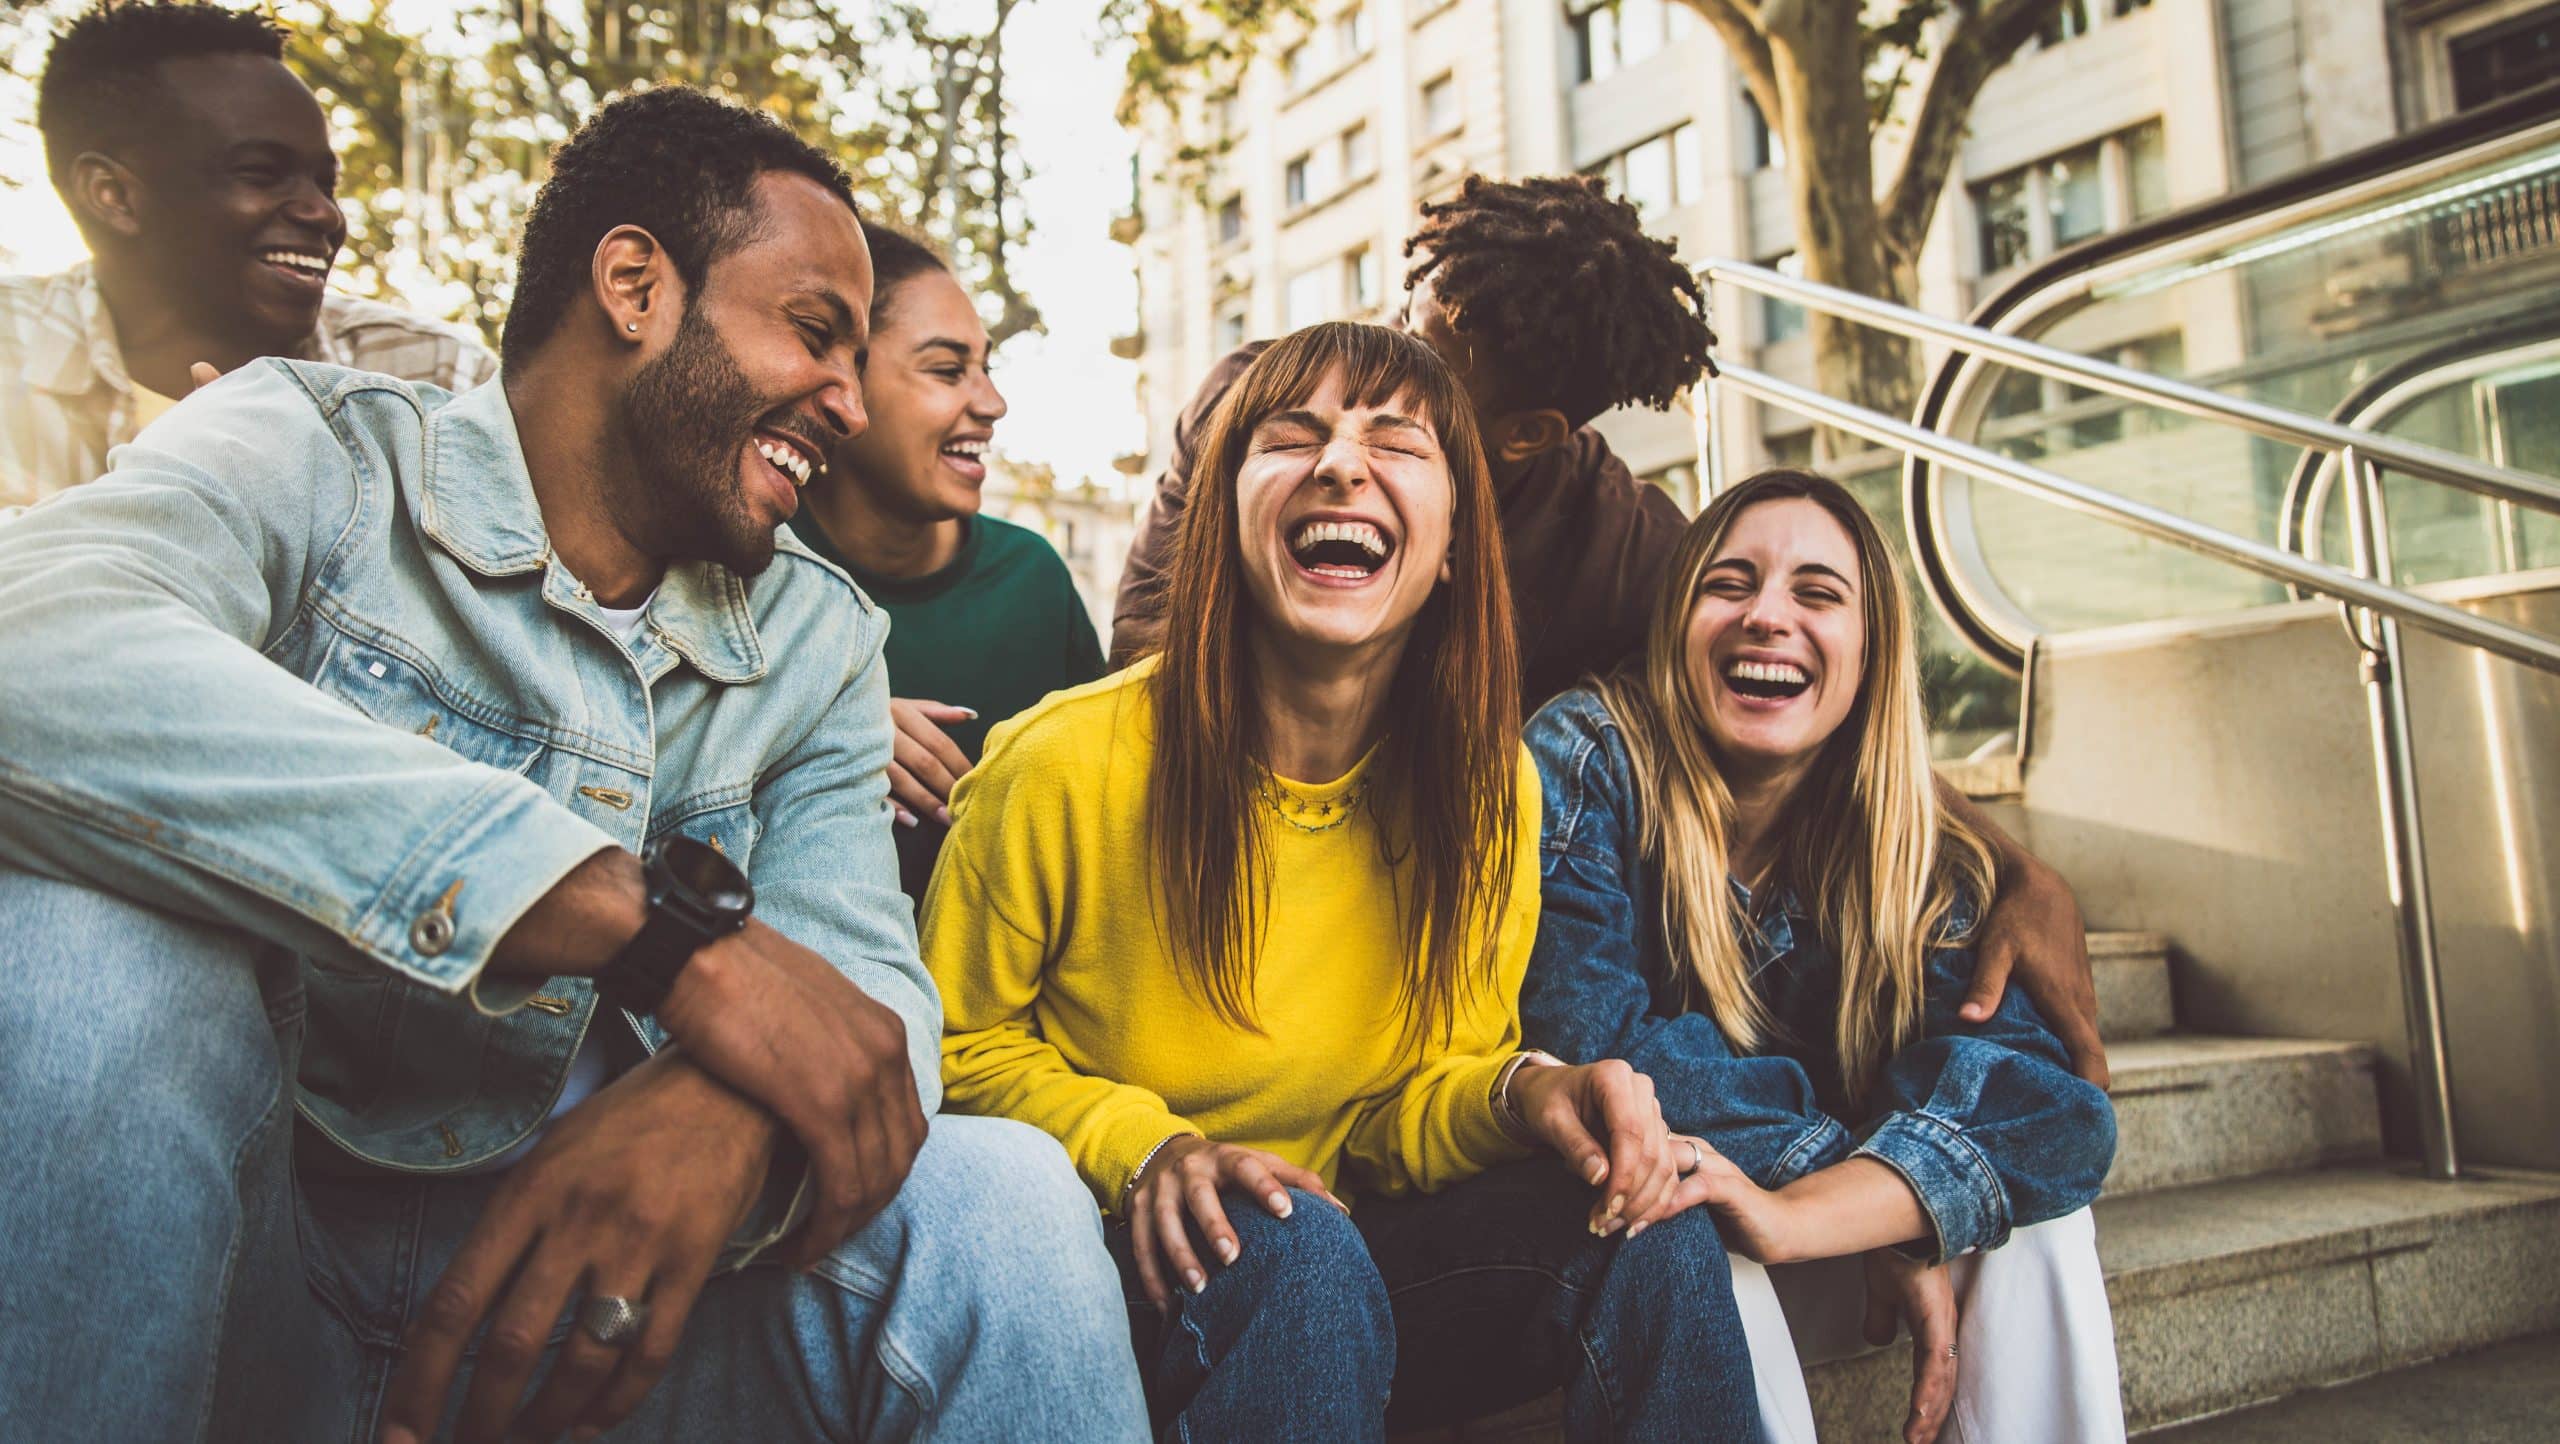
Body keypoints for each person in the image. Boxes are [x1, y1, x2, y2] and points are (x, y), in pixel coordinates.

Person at [0, 87, 1144, 1444]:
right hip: (255, 1294)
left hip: (595, 1348)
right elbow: (37, 644)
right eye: (815, 332)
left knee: (1005, 1195)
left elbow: (869, 993)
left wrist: (734, 1111)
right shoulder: (312, 451)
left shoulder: (818, 636)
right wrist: (640, 928)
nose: (846, 397)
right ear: (635, 286)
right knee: (86, 952)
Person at [925, 320, 1760, 1441]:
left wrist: (1533, 1093)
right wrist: (1147, 1147)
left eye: (1396, 443)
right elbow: (943, 1053)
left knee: (1653, 1216)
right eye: (1292, 435)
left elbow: (1401, 1114)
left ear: (1457, 540)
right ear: (1225, 516)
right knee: (1295, 1240)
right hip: (1101, 1268)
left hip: (1339, 1280)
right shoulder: (1057, 764)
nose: (1338, 462)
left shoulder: (1488, 788)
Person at [1109, 174, 2118, 1090]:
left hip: (1445, 935)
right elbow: (1146, 668)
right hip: (1232, 867)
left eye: (1431, 366)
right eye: (1400, 319)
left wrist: (2018, 871)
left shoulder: (1618, 540)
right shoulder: (1266, 408)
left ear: (1528, 436)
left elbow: (1814, 702)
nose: (1381, 377)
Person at [1521, 468, 2124, 1444]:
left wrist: (1828, 1210)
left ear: (1869, 651)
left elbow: (2053, 1109)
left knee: (2042, 1225)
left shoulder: (1909, 840)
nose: (1766, 615)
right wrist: (1872, 1192)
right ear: (1676, 620)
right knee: (1674, 1191)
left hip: (1808, 1228)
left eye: (1816, 593)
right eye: (1729, 583)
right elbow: (1600, 1047)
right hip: (1652, 1249)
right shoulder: (1585, 757)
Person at [3, 1, 493, 509]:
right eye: (259, 173)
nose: (325, 215)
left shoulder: (438, 384)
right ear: (113, 195)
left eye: (326, 185)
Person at [786, 227, 1103, 902]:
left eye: (987, 369)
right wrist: (825, 726)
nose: (991, 404)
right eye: (946, 369)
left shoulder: (1034, 582)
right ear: (842, 376)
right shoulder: (746, 559)